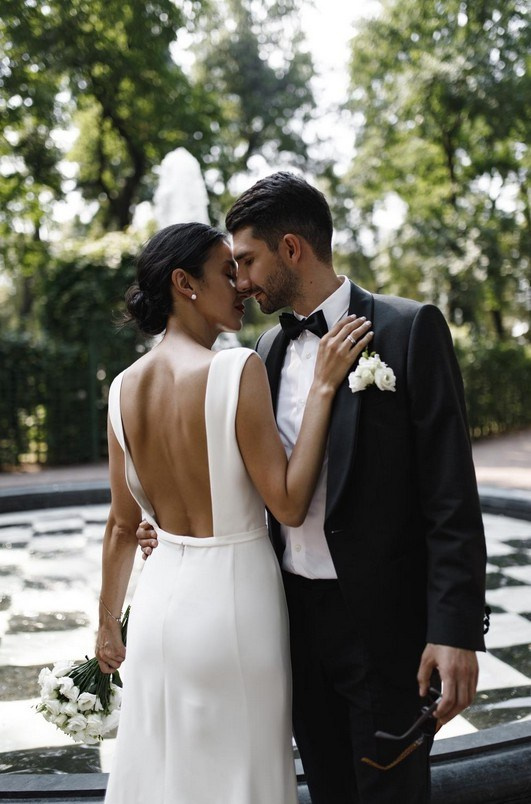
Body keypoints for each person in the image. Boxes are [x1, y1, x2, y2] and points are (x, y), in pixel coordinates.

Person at [139, 173, 487, 804]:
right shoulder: (262, 353)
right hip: (288, 625)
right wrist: (168, 527)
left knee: (391, 795)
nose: (240, 280)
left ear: (292, 248)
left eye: (246, 261)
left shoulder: (411, 330)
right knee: (325, 791)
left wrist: (456, 630)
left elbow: (451, 497)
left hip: (386, 634)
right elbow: (248, 478)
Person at [95, 220, 373, 804]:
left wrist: (106, 628)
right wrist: (323, 388)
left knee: (166, 778)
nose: (242, 286)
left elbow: (123, 525)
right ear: (184, 283)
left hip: (155, 611)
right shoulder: (235, 369)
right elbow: (291, 504)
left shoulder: (121, 388)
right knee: (239, 777)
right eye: (227, 272)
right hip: (233, 611)